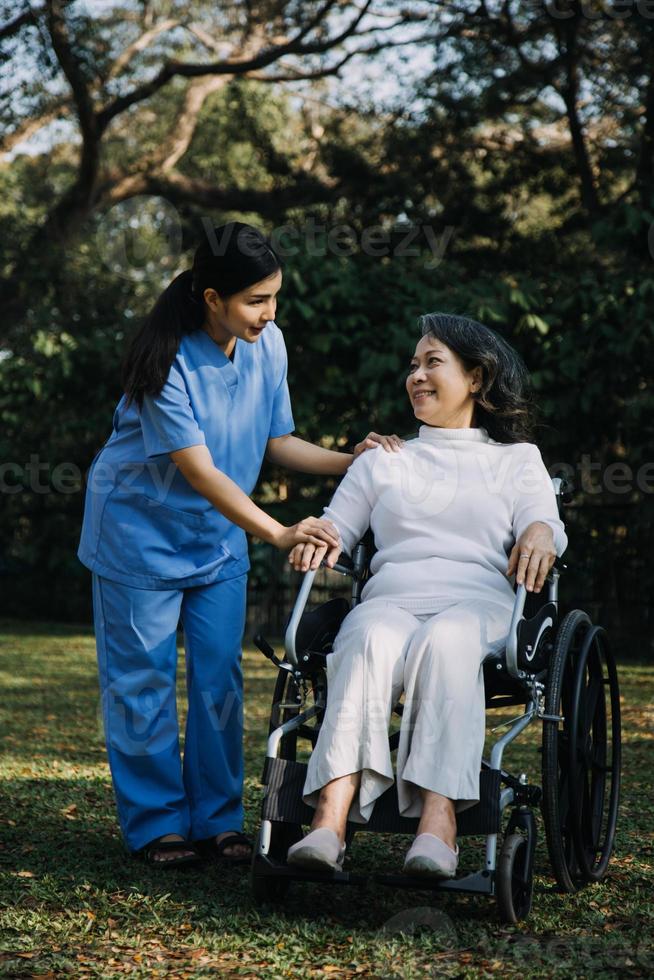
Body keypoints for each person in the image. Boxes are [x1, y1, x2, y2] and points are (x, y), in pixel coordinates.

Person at [78, 222, 402, 867]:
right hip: (138, 535)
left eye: (274, 296)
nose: (269, 312)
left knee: (219, 680)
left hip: (219, 539)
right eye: (255, 300)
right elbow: (199, 470)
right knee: (141, 681)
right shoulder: (166, 361)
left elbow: (275, 440)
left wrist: (350, 460)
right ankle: (156, 825)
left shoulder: (268, 345)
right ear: (211, 297)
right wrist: (279, 531)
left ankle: (218, 820)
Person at [285, 312, 567, 878]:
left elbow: (545, 523)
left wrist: (541, 531)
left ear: (477, 378)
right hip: (392, 600)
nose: (416, 375)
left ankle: (439, 825)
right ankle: (330, 820)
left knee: (446, 640)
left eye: (432, 362)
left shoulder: (517, 459)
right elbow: (336, 525)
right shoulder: (383, 461)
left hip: (478, 606)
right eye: (412, 365)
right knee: (365, 636)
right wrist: (313, 538)